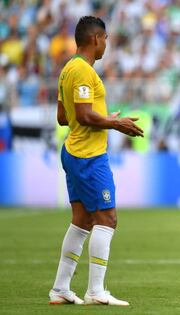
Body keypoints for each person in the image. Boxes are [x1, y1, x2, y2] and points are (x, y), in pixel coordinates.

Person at [49, 16, 144, 306]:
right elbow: (84, 115)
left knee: (81, 221)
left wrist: (103, 119)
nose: (106, 44)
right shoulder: (82, 71)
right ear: (95, 39)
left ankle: (60, 289)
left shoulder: (68, 70)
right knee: (107, 218)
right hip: (88, 156)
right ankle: (95, 291)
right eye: (105, 39)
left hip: (75, 150)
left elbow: (63, 117)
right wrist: (115, 124)